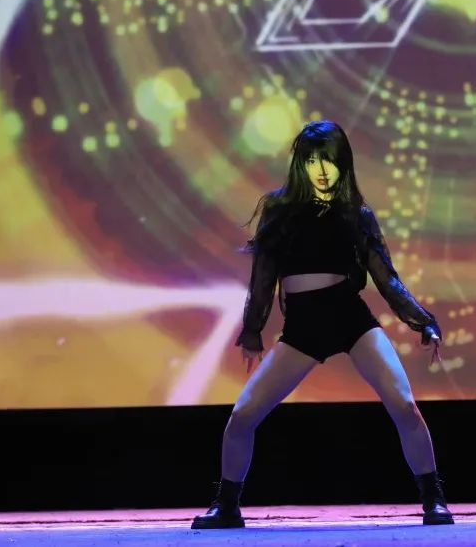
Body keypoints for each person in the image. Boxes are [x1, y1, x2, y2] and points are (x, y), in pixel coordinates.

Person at [191, 120, 454, 529]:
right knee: (242, 416)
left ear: (342, 163)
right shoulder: (279, 210)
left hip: (350, 317)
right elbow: (263, 276)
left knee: (404, 405)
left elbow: (386, 278)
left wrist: (424, 323)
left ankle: (433, 500)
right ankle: (226, 506)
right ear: (300, 163)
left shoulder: (356, 214)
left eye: (329, 160)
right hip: (302, 328)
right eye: (312, 160)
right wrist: (252, 330)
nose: (321, 169)